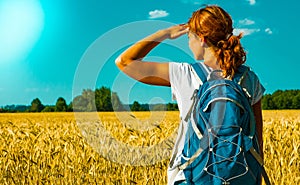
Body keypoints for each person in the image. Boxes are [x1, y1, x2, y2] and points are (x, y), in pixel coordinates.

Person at [115, 5, 265, 185]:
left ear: (201, 39)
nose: (188, 43)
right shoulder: (250, 79)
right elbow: (257, 141)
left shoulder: (184, 74)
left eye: (189, 37)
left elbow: (124, 62)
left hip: (191, 177)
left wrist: (165, 33)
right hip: (241, 178)